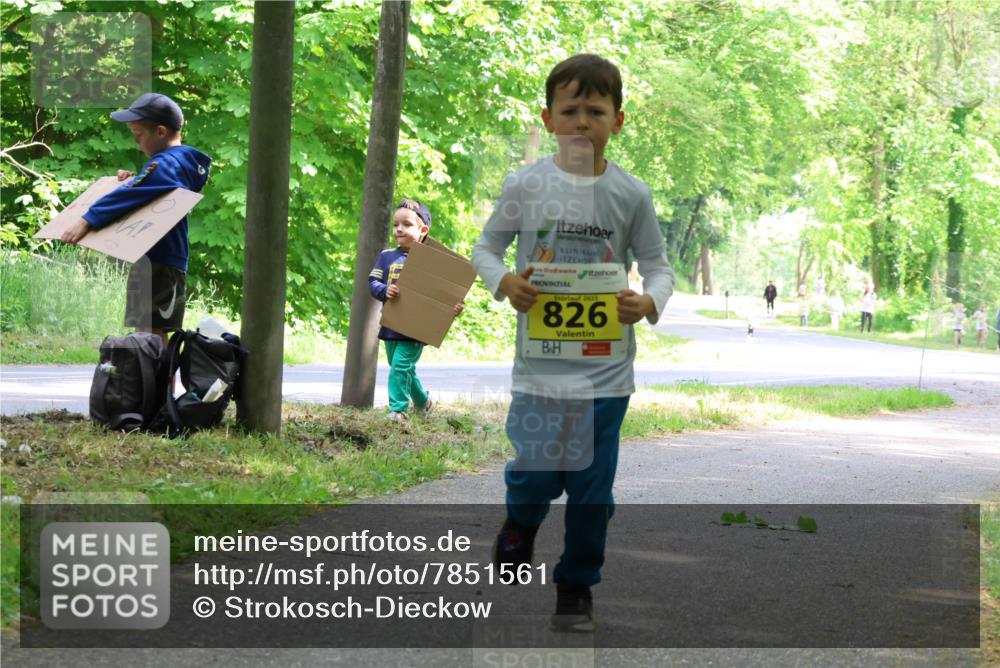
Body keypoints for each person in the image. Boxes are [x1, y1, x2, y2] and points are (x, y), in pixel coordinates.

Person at [471, 54, 674, 633]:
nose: (582, 122)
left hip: (606, 371)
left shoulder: (631, 195)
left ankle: (576, 587)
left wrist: (649, 301)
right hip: (539, 369)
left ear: (619, 120)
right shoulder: (525, 184)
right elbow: (486, 249)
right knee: (537, 473)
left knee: (591, 489)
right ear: (548, 118)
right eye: (570, 110)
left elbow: (658, 266)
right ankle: (520, 522)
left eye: (596, 111)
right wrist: (504, 281)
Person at [60, 93, 212, 346]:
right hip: (159, 261)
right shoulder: (178, 165)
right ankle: (153, 385)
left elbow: (137, 191)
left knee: (151, 334)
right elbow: (145, 189)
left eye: (138, 133)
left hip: (159, 263)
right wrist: (134, 179)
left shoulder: (167, 165)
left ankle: (154, 386)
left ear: (161, 131)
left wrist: (87, 220)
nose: (134, 140)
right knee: (150, 332)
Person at [369, 199, 463, 421]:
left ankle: (398, 409)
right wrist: (384, 290)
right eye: (396, 224)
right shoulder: (386, 256)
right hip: (392, 322)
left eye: (407, 224)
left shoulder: (432, 262)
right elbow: (372, 283)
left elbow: (444, 296)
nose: (399, 229)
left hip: (415, 328)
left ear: (423, 230)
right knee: (400, 366)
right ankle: (423, 402)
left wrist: (454, 308)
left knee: (400, 366)